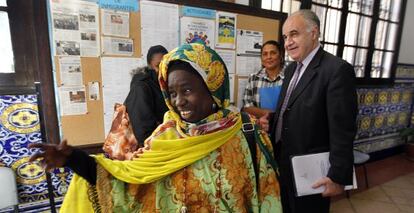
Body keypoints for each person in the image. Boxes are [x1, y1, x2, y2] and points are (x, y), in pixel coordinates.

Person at [29, 42, 282, 212]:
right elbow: (127, 179)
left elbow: (269, 200)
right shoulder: (166, 135)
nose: (178, 101)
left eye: (187, 90)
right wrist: (75, 159)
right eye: (171, 92)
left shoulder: (247, 136)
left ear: (213, 88)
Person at [267, 10, 358, 213]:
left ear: (314, 33)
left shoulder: (337, 70)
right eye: (285, 37)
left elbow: (343, 129)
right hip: (283, 161)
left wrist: (337, 176)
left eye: (294, 34)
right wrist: (272, 121)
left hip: (312, 170)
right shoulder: (291, 69)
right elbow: (291, 109)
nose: (288, 42)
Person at [124, 45, 168, 146]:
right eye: (158, 66)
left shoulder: (165, 83)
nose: (163, 69)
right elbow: (143, 131)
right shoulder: (141, 87)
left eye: (166, 65)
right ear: (149, 66)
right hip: (151, 147)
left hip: (164, 141)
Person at [242, 40, 284, 119]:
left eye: (273, 53)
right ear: (261, 58)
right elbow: (246, 107)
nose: (269, 57)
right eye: (265, 54)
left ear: (280, 55)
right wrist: (272, 115)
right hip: (260, 128)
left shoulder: (289, 78)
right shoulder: (253, 78)